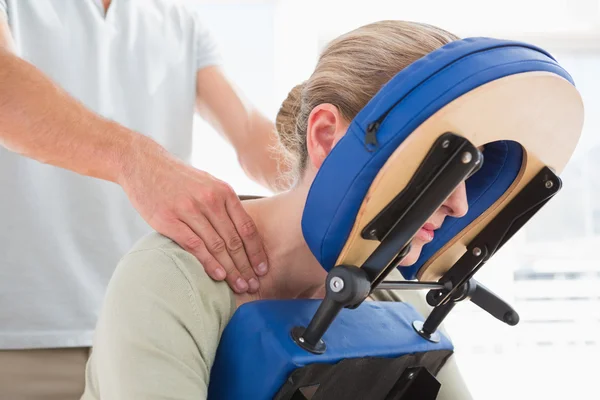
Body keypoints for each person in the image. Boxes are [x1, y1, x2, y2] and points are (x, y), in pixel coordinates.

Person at [81, 20, 473, 400]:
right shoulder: (171, 281)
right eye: (439, 161)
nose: (460, 205)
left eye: (472, 168)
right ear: (325, 138)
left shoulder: (395, 299)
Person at [0, 1, 284, 398]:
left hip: (145, 322)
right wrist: (135, 161)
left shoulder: (179, 20)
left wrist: (332, 176)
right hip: (22, 336)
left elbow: (251, 132)